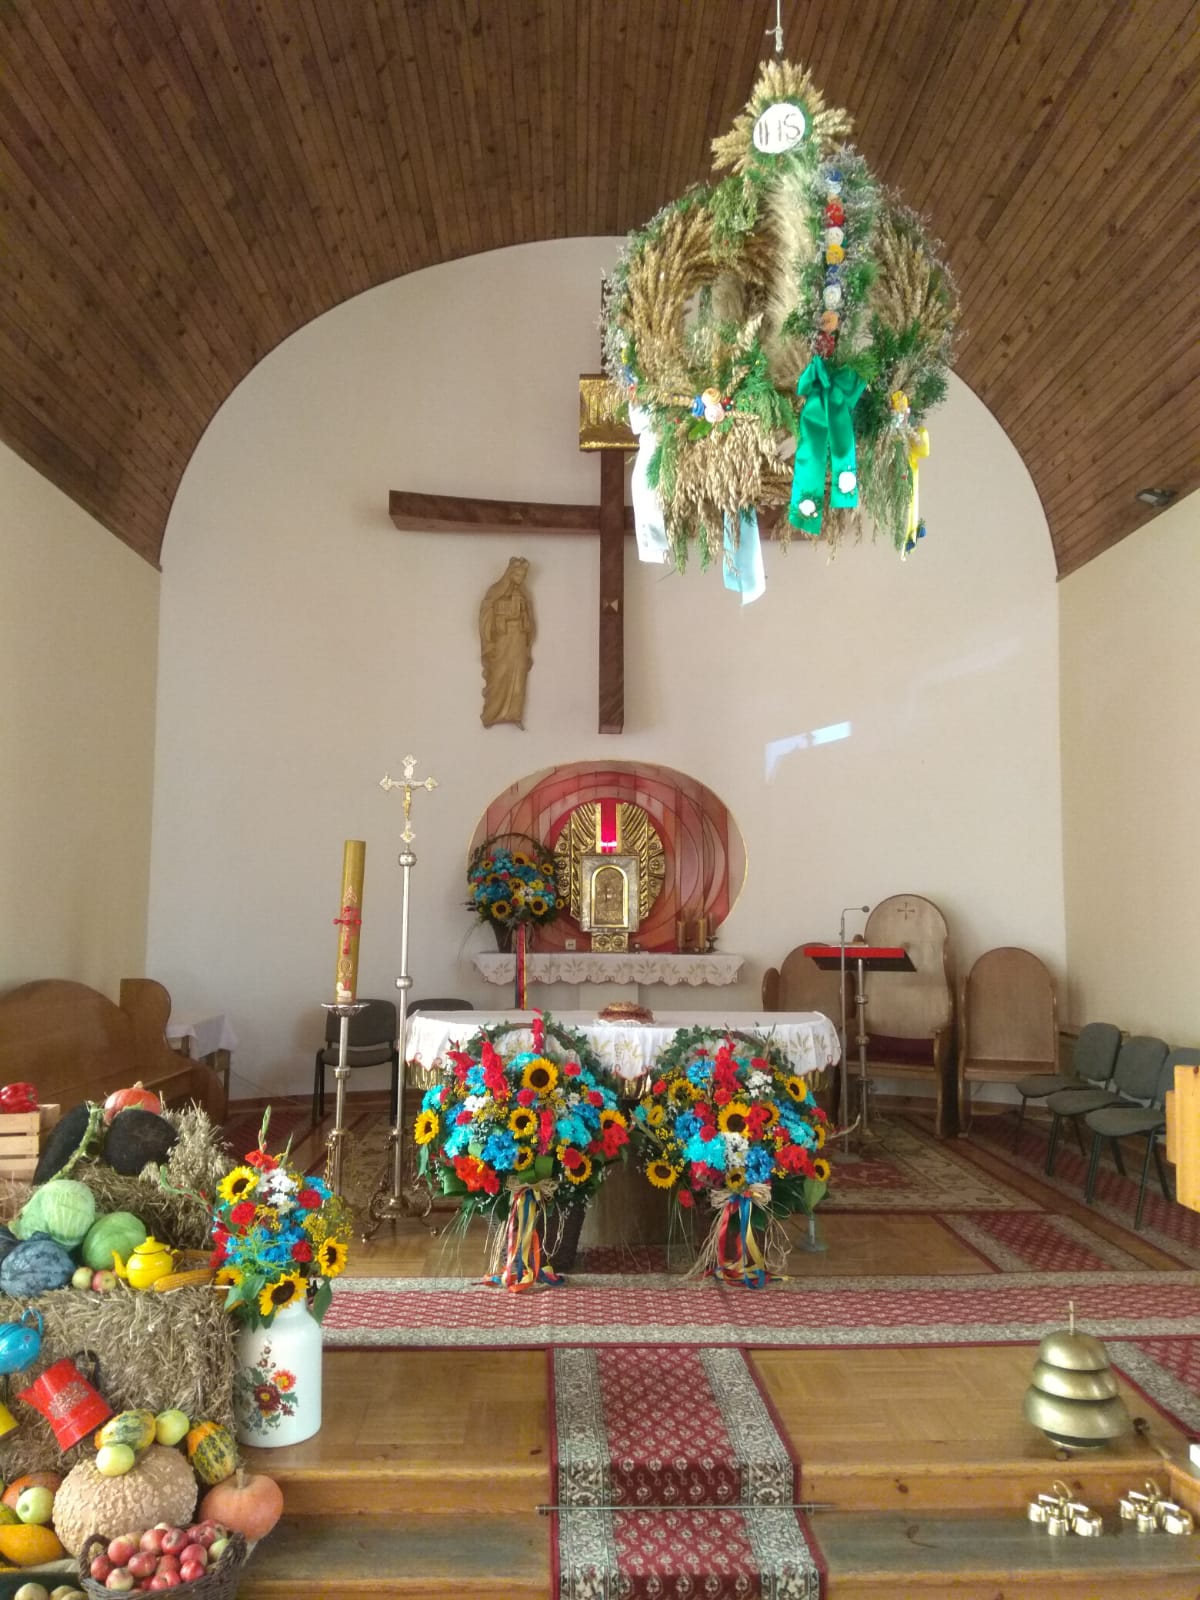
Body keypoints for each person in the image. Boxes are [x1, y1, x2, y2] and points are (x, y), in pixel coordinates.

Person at [479, 557, 534, 729]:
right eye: (518, 575)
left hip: (519, 641)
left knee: (519, 676)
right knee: (499, 675)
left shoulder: (523, 595)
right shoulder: (495, 591)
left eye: (523, 576)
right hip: (502, 641)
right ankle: (491, 714)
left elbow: (529, 621)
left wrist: (524, 620)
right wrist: (500, 622)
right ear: (510, 573)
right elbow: (485, 617)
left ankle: (514, 715)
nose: (521, 579)